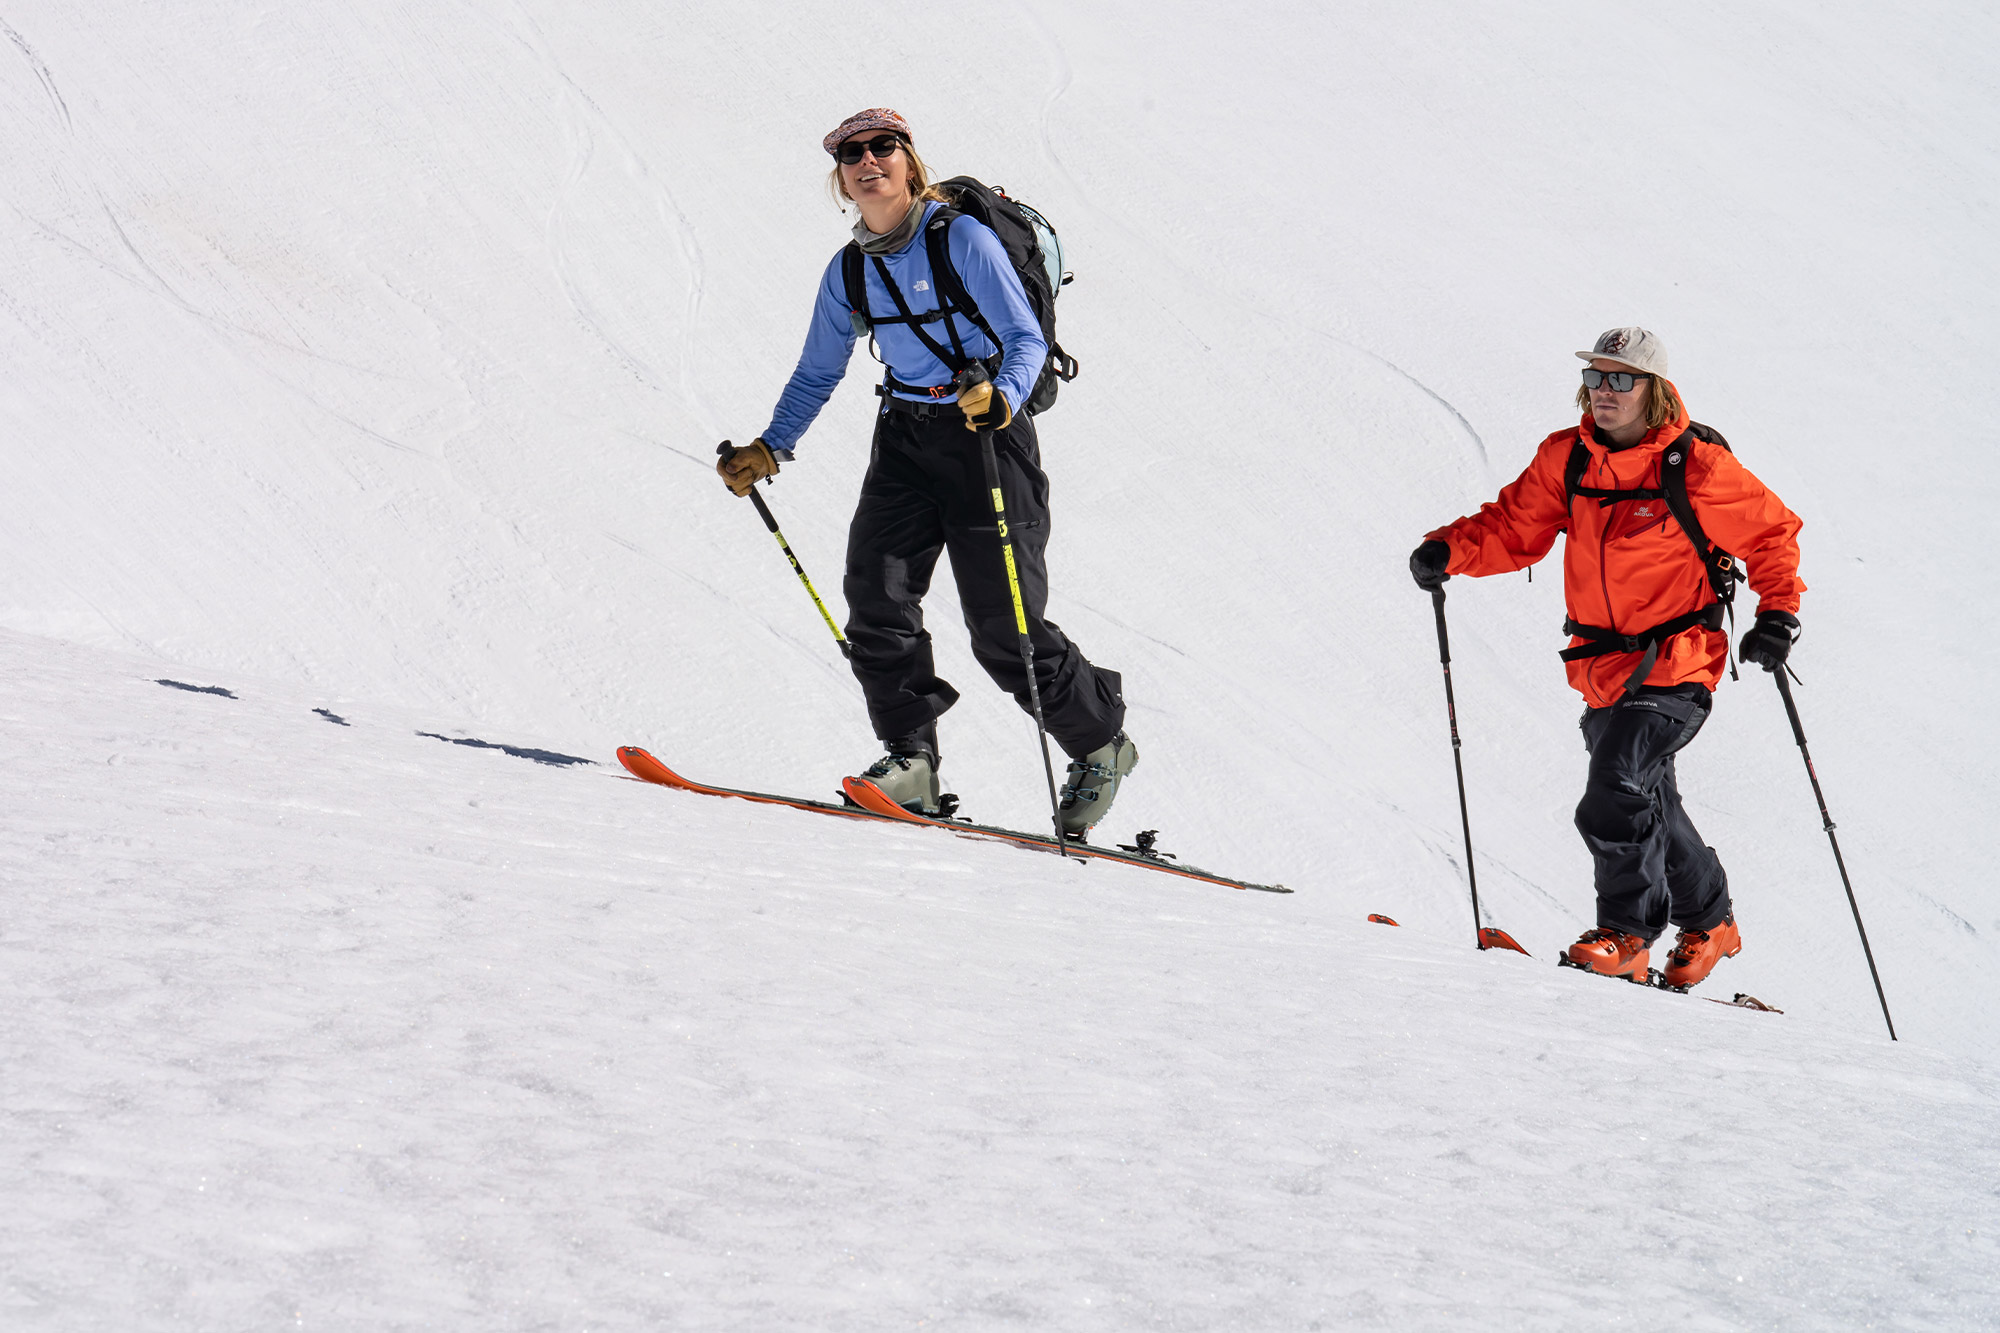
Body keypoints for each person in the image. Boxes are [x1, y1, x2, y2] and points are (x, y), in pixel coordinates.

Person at [718, 108, 1135, 832]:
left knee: (1005, 628)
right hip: (904, 438)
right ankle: (910, 759)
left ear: (910, 162)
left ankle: (1100, 742)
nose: (867, 160)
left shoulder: (962, 239)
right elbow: (819, 369)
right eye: (852, 153)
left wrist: (1001, 398)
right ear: (841, 180)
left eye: (883, 147)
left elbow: (1023, 337)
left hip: (986, 441)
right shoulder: (851, 267)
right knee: (876, 598)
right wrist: (770, 446)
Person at [1408, 327, 1805, 988]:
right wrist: (1448, 549)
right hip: (1600, 668)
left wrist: (1778, 615)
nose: (1604, 391)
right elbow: (1514, 528)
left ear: (1655, 389)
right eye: (1596, 377)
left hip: (1677, 661)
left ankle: (1626, 933)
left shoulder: (1694, 466)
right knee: (1647, 797)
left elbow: (1771, 533)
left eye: (1621, 378)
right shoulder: (1569, 459)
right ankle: (1711, 920)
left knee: (1614, 787)